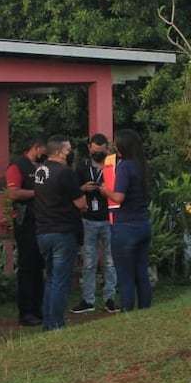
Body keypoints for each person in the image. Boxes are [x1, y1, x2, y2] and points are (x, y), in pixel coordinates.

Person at [32, 135, 86, 330]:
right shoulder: (65, 173)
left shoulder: (40, 171)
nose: (71, 154)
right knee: (61, 281)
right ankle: (56, 323)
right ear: (58, 152)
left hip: (43, 231)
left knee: (52, 278)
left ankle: (48, 321)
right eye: (68, 150)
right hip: (63, 231)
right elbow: (81, 203)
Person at [101, 129, 152, 312]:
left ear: (122, 146)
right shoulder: (141, 166)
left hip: (125, 227)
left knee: (125, 276)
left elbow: (119, 197)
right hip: (143, 223)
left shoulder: (124, 167)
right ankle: (146, 308)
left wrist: (105, 191)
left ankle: (126, 311)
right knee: (141, 274)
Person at [71, 133, 118, 314]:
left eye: (101, 151)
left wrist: (106, 191)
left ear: (107, 148)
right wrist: (83, 188)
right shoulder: (81, 167)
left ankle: (110, 298)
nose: (98, 154)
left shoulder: (111, 166)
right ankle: (88, 300)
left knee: (110, 261)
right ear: (89, 147)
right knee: (89, 262)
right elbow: (73, 190)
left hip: (108, 218)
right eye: (95, 151)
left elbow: (118, 189)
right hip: (88, 218)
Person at [6, 135, 47, 326]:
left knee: (39, 267)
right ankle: (26, 312)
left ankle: (39, 308)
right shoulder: (17, 166)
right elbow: (13, 193)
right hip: (25, 223)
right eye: (44, 150)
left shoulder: (41, 166)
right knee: (27, 266)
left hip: (41, 222)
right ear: (36, 147)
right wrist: (38, 193)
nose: (45, 154)